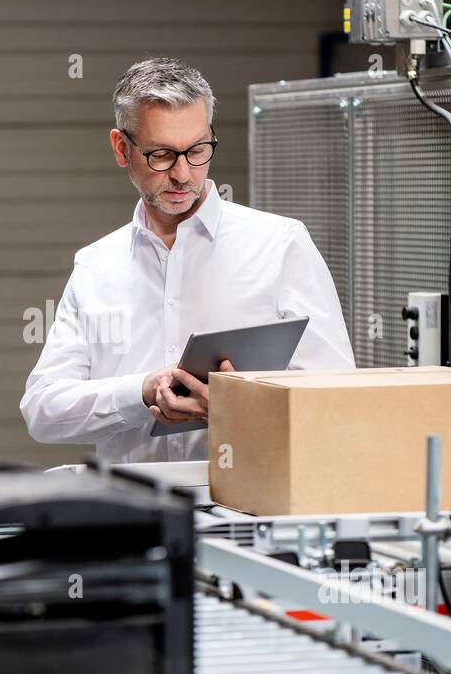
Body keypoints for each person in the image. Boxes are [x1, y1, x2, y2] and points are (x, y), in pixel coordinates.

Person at [21, 57, 353, 463]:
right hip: (138, 517)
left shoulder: (281, 245)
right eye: (161, 155)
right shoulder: (96, 266)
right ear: (122, 148)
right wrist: (140, 392)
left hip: (247, 508)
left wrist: (239, 408)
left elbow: (337, 396)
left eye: (197, 150)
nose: (182, 174)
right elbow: (43, 411)